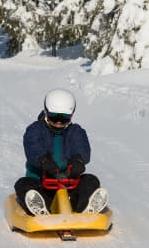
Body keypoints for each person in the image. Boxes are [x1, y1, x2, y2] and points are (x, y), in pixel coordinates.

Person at [14, 88, 108, 216]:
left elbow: (82, 147)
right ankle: (39, 206)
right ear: (46, 113)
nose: (58, 123)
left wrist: (78, 161)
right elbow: (32, 146)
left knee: (91, 180)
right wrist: (43, 160)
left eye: (63, 119)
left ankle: (85, 205)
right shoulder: (36, 129)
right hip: (41, 182)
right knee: (23, 184)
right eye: (54, 118)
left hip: (69, 183)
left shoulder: (75, 131)